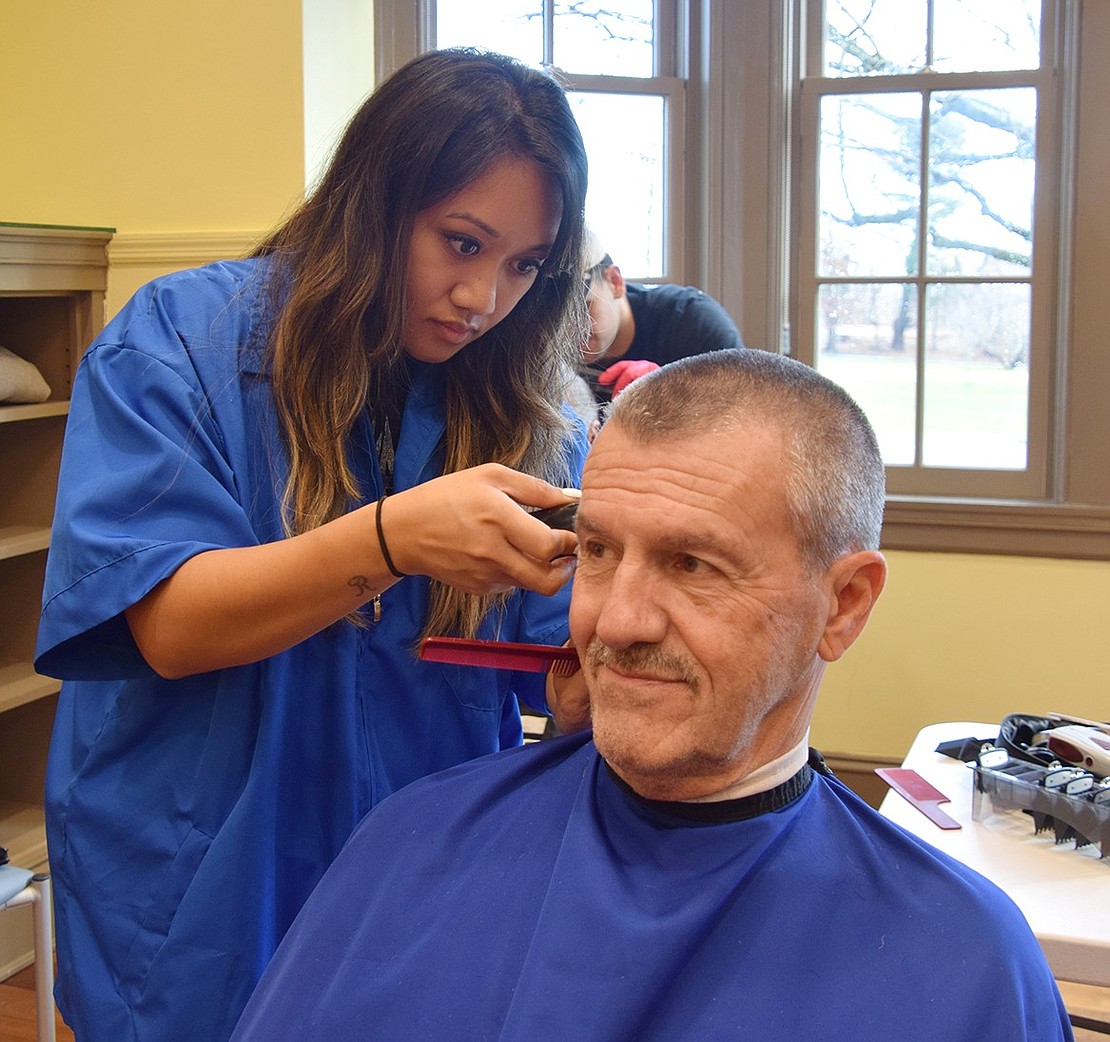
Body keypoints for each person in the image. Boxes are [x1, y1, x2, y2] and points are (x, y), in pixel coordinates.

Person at [231, 349, 1073, 1042]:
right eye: (596, 551)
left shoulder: (963, 965)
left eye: (693, 565)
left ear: (843, 604)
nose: (617, 621)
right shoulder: (412, 845)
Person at [34, 48, 591, 1042]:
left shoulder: (530, 414)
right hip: (195, 888)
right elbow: (166, 623)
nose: (484, 299)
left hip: (417, 879)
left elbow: (557, 662)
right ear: (375, 205)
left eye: (522, 266)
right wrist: (392, 538)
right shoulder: (179, 346)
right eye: (460, 243)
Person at [581, 231, 744, 402]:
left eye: (584, 308)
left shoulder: (693, 324)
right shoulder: (552, 349)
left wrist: (671, 394)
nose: (569, 329)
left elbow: (743, 410)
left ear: (615, 282)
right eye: (557, 315)